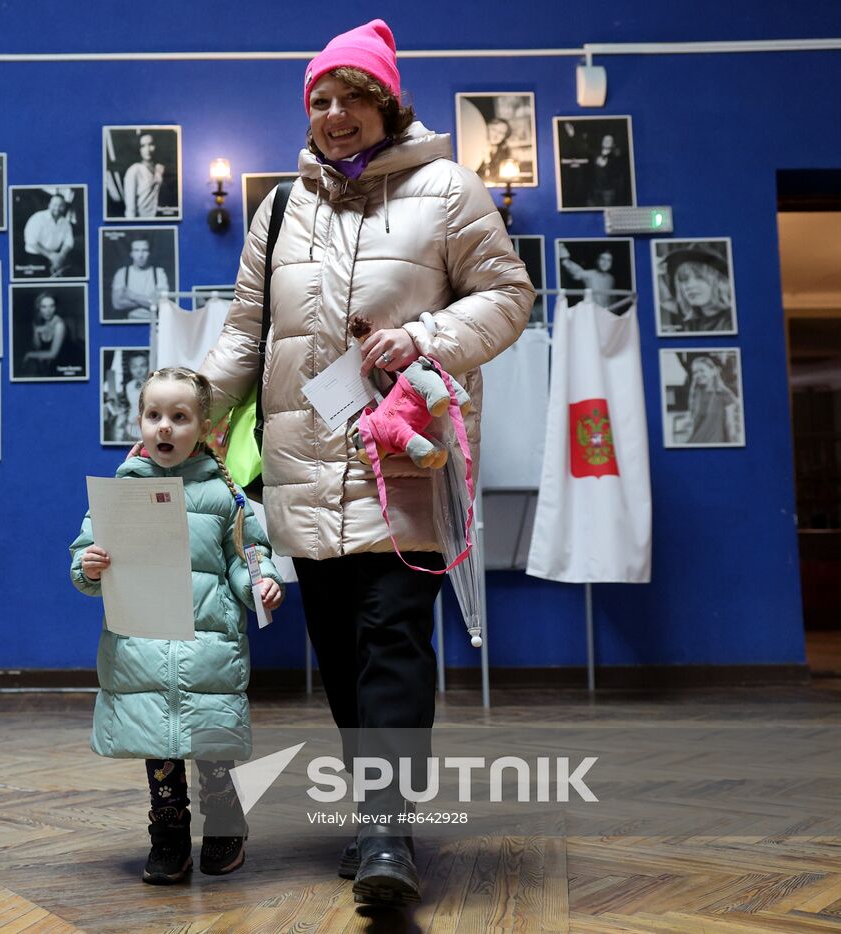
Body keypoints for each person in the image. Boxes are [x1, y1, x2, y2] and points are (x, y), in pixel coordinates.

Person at [198, 19, 533, 905]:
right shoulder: (278, 208)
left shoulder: (449, 189)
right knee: (342, 653)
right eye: (321, 98)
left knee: (393, 640)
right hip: (305, 461)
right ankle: (373, 810)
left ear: (388, 104)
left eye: (353, 96)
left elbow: (509, 296)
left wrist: (421, 335)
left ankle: (388, 830)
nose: (335, 112)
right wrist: (195, 409)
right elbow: (244, 334)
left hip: (406, 462)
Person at [70, 367, 284, 884]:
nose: (164, 427)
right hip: (142, 644)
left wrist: (263, 582)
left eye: (179, 417)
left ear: (205, 427)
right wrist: (89, 566)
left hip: (208, 646)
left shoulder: (222, 496)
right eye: (154, 415)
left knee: (211, 743)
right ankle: (168, 836)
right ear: (140, 422)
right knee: (160, 745)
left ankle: (225, 825)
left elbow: (248, 553)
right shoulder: (120, 494)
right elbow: (85, 563)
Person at [664, 245, 733, 332]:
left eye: (700, 277)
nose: (689, 286)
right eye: (684, 279)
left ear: (719, 281)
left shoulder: (733, 320)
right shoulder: (692, 320)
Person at [20, 291, 80, 377]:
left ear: (55, 307)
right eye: (44, 307)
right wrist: (36, 332)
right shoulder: (39, 321)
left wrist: (29, 354)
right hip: (52, 363)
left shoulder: (59, 324)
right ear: (38, 308)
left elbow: (53, 354)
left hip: (68, 362)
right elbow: (37, 347)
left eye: (51, 306)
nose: (48, 311)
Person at [559, 245, 635, 312]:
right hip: (592, 315)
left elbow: (612, 299)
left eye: (609, 260)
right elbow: (572, 268)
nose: (605, 262)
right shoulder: (589, 274)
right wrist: (562, 251)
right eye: (602, 259)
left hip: (607, 316)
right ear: (597, 260)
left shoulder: (611, 278)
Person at [686, 354, 741, 444]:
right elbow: (694, 425)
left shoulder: (725, 395)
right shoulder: (696, 394)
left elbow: (730, 427)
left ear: (713, 371)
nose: (698, 375)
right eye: (695, 372)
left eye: (701, 370)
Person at [110, 238, 170, 321]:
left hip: (154, 322)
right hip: (129, 323)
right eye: (136, 250)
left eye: (144, 250)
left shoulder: (159, 273)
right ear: (131, 253)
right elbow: (117, 304)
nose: (141, 255)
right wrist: (148, 301)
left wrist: (133, 296)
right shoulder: (122, 273)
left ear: (149, 253)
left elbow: (161, 304)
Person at [22, 193, 76, 276]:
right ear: (49, 205)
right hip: (35, 258)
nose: (57, 208)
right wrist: (51, 256)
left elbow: (69, 242)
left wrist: (61, 256)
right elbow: (31, 241)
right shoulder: (37, 218)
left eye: (61, 205)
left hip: (56, 257)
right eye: (54, 205)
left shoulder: (65, 223)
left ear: (64, 207)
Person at [123, 133, 165, 218]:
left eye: (151, 144)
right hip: (142, 221)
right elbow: (130, 210)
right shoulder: (134, 171)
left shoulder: (160, 167)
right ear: (138, 148)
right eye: (143, 146)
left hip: (160, 219)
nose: (147, 149)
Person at [587, 132, 627, 207]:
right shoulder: (595, 154)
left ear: (613, 144)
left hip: (608, 191)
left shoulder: (616, 157)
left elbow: (618, 174)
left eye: (609, 140)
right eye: (605, 139)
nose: (606, 141)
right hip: (594, 190)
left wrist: (605, 166)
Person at [475, 117, 514, 182]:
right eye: (493, 129)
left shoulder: (503, 153)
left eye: (501, 133)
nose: (496, 135)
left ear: (504, 137)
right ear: (486, 128)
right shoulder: (474, 146)